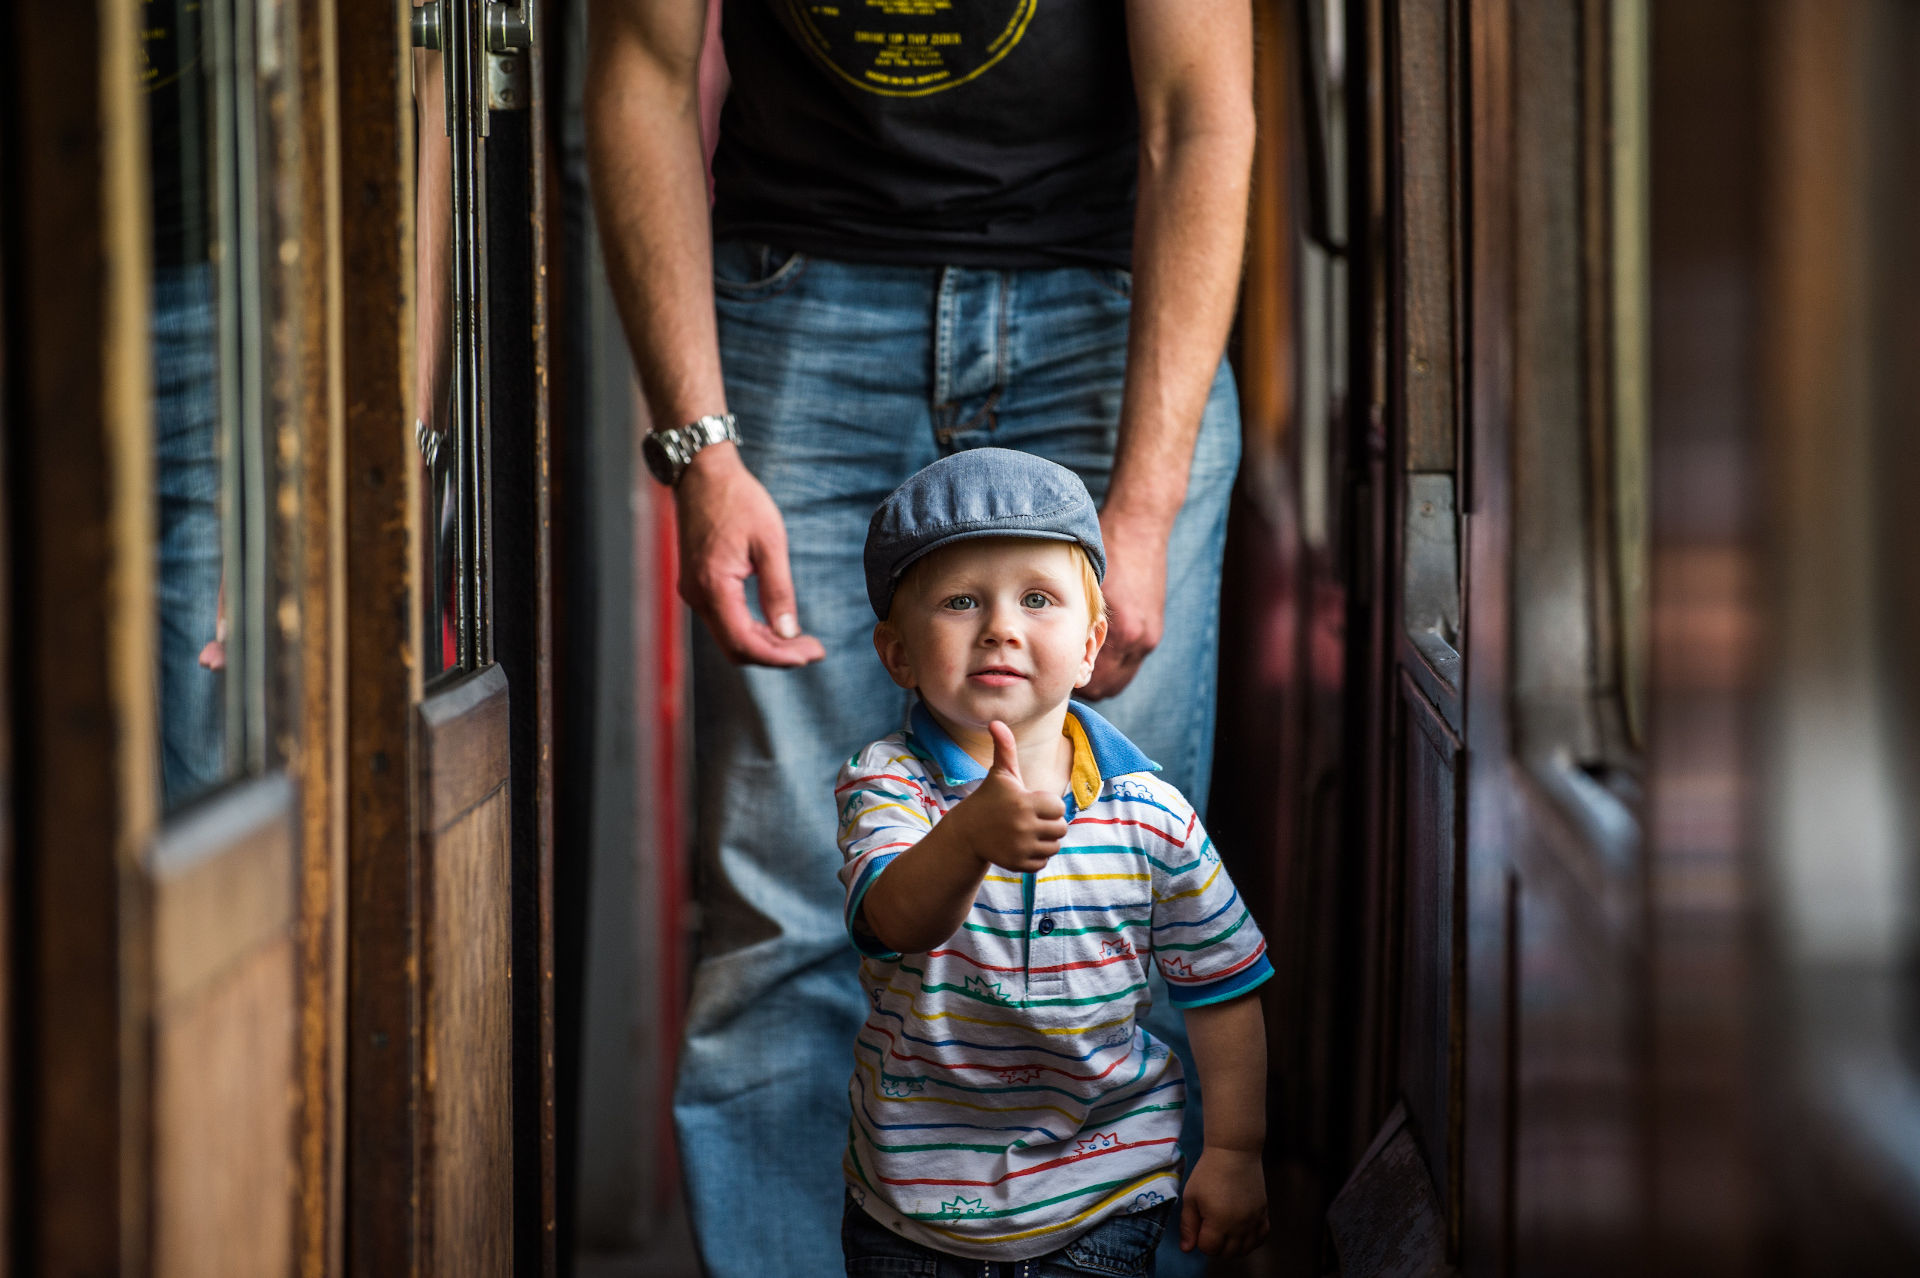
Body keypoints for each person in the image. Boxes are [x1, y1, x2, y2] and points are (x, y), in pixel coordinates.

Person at [584, 3, 1256, 1274]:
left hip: (1106, 314)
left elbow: (1198, 111)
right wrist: (699, 450)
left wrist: (1149, 504)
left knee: (1122, 899)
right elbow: (642, 70)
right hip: (798, 312)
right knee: (787, 912)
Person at [837, 450, 1270, 1273]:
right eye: (962, 601)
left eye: (1038, 599)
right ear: (897, 654)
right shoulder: (888, 786)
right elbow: (893, 920)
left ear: (1089, 644)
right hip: (912, 1211)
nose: (1001, 626)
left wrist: (1238, 1152)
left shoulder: (1150, 812)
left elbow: (1221, 985)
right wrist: (968, 837)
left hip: (1105, 1196)